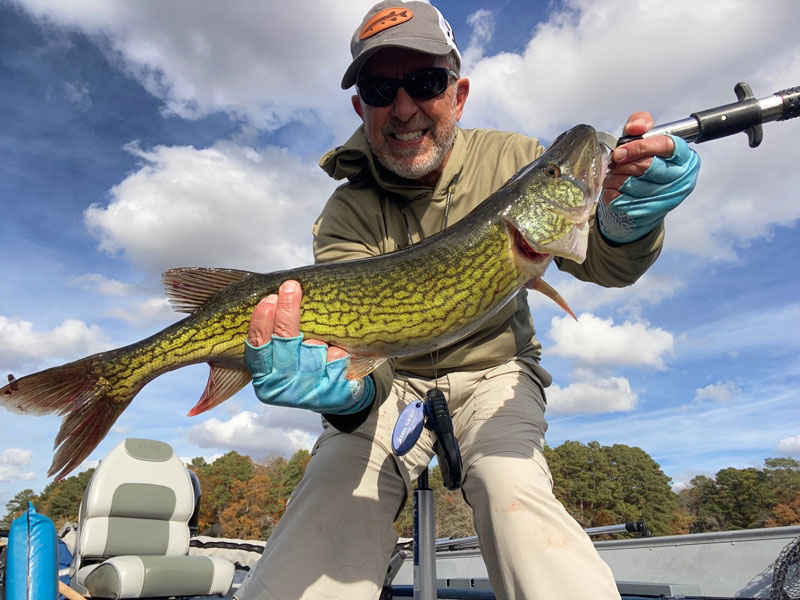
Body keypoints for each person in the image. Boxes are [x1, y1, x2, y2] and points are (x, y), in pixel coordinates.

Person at [238, 2, 700, 599]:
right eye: (382, 88)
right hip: (389, 379)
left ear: (458, 94)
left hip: (498, 373)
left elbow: (603, 265)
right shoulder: (345, 211)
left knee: (514, 494)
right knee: (325, 513)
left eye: (425, 83)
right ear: (362, 107)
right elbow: (359, 349)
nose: (403, 108)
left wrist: (624, 225)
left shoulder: (517, 159)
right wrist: (346, 399)